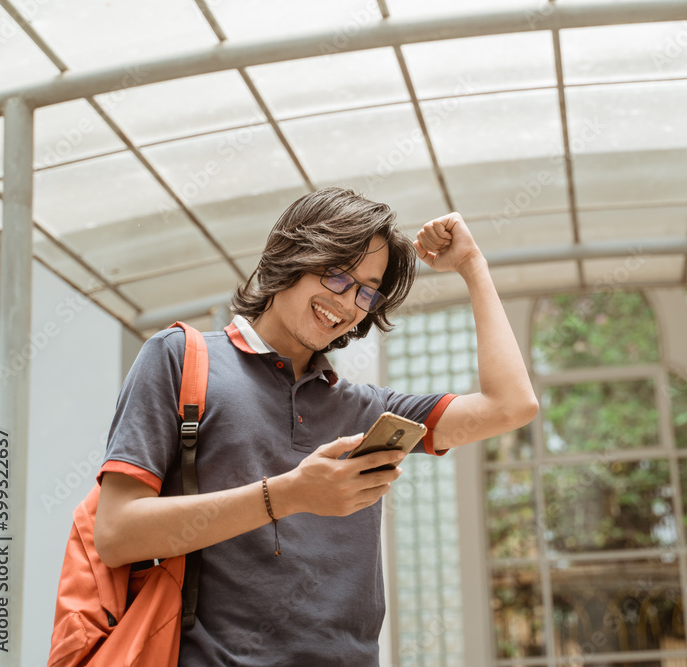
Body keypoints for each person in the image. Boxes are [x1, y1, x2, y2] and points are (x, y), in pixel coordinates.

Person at [94, 187, 539, 665]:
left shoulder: (367, 410)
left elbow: (510, 405)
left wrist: (472, 265)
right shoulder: (179, 358)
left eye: (367, 290)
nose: (348, 303)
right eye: (336, 275)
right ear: (290, 255)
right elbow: (116, 534)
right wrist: (290, 495)